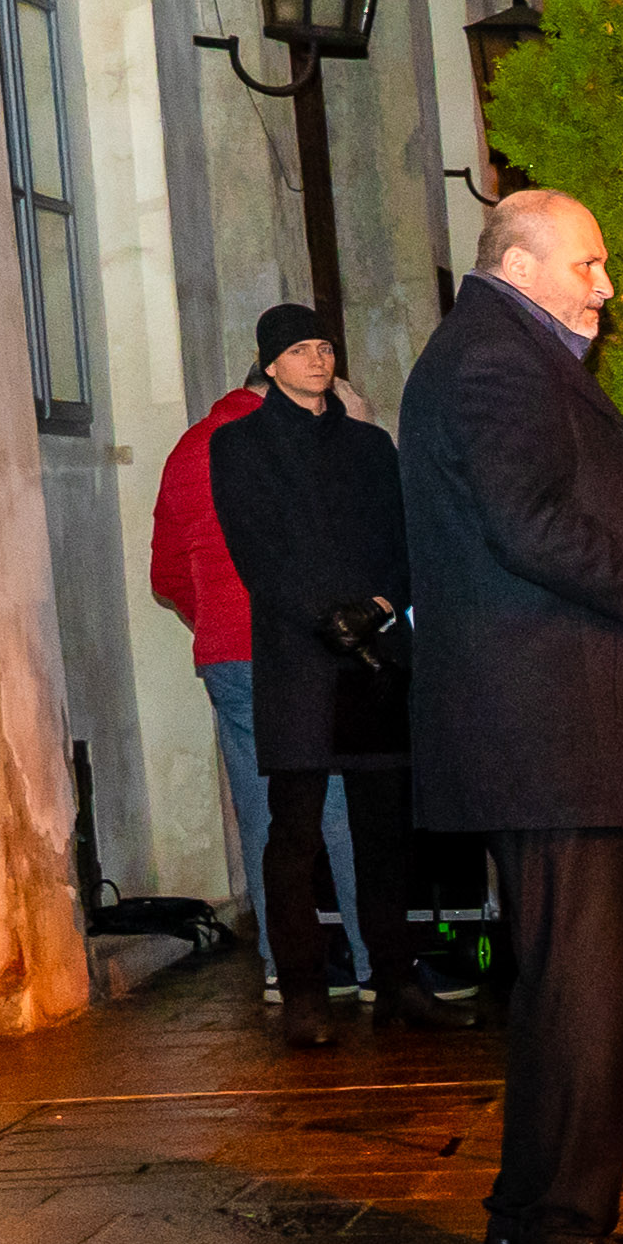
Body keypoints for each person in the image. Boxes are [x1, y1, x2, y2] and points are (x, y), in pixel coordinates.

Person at [405, 188, 623, 1244]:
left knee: (566, 986)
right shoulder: (494, 359)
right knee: (578, 989)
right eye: (587, 264)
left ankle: (537, 1220)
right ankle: (552, 1235)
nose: (606, 288)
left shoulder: (501, 351)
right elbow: (525, 524)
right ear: (520, 262)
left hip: (554, 725)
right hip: (548, 727)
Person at [209, 305, 470, 1049]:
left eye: (324, 346)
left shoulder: (367, 444)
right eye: (300, 349)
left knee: (385, 831)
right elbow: (256, 552)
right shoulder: (239, 447)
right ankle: (303, 993)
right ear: (270, 363)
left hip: (374, 657)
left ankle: (395, 981)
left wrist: (381, 607)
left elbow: (404, 536)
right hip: (299, 660)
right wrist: (325, 618)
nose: (317, 359)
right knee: (294, 833)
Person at [150, 350, 362, 1018]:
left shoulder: (190, 449)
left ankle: (280, 964)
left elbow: (166, 575)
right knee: (336, 809)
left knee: (262, 811)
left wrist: (209, 617)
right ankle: (370, 956)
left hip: (226, 658)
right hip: (300, 649)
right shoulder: (294, 441)